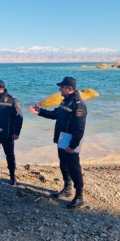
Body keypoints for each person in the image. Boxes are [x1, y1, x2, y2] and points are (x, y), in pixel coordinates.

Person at [29, 76, 87, 208]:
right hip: (62, 139)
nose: (60, 89)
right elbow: (56, 115)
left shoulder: (79, 105)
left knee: (74, 167)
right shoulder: (65, 101)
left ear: (69, 89)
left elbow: (79, 128)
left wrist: (73, 145)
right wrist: (40, 112)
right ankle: (67, 188)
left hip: (70, 141)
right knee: (63, 165)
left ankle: (79, 196)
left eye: (62, 87)